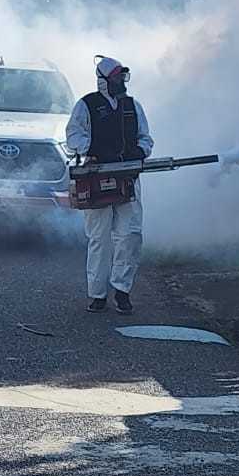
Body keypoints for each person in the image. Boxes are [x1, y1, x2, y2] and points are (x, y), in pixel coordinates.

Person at [66, 55, 154, 313]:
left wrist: (139, 152)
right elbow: (73, 135)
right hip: (96, 175)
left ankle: (123, 290)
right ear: (103, 80)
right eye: (116, 76)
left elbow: (146, 138)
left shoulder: (133, 105)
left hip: (127, 177)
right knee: (99, 238)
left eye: (122, 76)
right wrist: (93, 149)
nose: (120, 81)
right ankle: (98, 294)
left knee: (130, 235)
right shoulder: (86, 105)